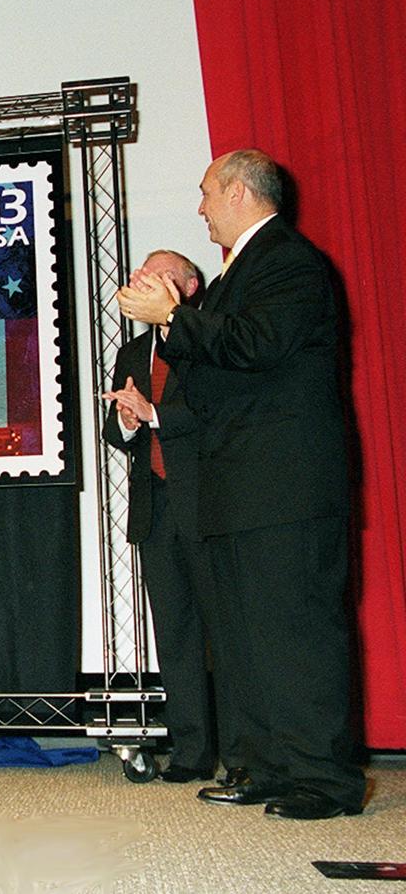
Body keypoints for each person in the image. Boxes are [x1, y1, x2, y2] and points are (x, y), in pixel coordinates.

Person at [117, 149, 364, 819]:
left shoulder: (289, 260)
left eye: (205, 193)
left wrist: (173, 318)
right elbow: (206, 377)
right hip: (235, 486)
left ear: (237, 191)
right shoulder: (235, 273)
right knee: (241, 639)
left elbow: (255, 344)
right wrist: (170, 335)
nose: (199, 208)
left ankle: (323, 778)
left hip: (285, 486)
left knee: (295, 632)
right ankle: (261, 765)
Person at [104, 249, 226, 783]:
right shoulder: (133, 352)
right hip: (155, 509)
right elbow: (117, 433)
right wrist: (129, 421)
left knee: (225, 630)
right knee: (174, 634)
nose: (145, 283)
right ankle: (192, 754)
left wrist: (154, 414)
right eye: (141, 276)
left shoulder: (207, 340)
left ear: (190, 287)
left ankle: (244, 756)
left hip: (208, 503)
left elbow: (213, 413)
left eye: (159, 276)